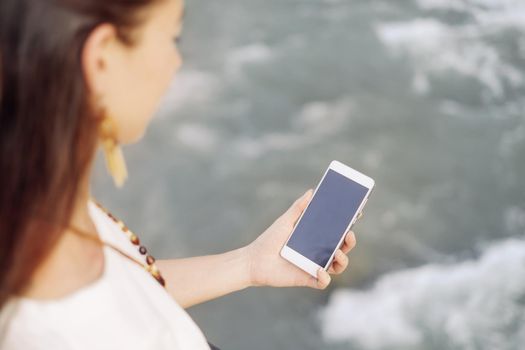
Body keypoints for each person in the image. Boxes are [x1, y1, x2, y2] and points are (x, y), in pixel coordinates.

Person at [0, 0, 357, 348]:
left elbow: (121, 298)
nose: (176, 62)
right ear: (101, 59)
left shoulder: (40, 206)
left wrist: (249, 264)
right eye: (173, 38)